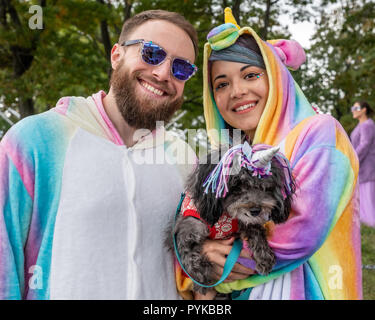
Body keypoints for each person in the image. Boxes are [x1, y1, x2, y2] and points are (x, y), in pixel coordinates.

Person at [0, 10, 201, 300]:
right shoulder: (34, 140)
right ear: (116, 55)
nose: (162, 73)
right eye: (152, 53)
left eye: (181, 68)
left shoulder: (185, 159)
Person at [175, 8, 362, 300]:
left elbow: (299, 233)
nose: (237, 91)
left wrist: (215, 269)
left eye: (250, 75)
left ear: (276, 78)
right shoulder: (217, 162)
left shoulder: (319, 133)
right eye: (221, 84)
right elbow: (186, 222)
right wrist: (194, 260)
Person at [350, 101, 375, 227]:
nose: (353, 110)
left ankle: (371, 226)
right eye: (352, 107)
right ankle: (365, 226)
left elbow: (365, 144)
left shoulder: (367, 125)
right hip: (361, 168)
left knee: (368, 199)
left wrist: (352, 157)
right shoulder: (359, 126)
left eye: (356, 107)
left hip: (368, 167)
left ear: (364, 109)